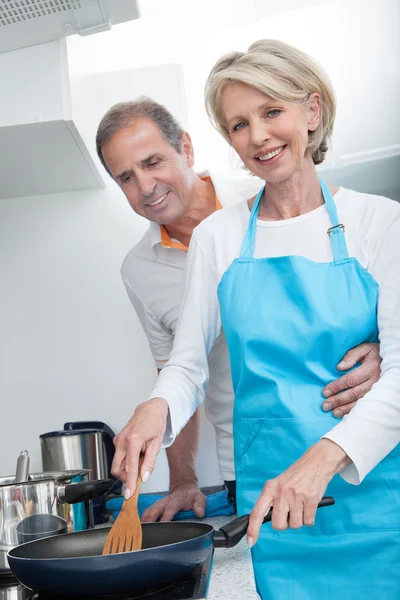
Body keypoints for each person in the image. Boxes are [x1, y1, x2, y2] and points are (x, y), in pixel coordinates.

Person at [111, 39, 400, 599]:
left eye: (272, 112)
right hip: (274, 509)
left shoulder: (380, 222)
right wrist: (155, 408)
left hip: (377, 496)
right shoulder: (220, 237)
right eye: (239, 124)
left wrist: (325, 457)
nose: (258, 136)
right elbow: (188, 364)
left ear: (311, 112)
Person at [96, 98, 381, 520]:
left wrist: (385, 350)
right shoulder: (139, 270)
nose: (146, 186)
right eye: (126, 177)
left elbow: (359, 304)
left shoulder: (274, 186)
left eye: (153, 162)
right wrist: (182, 479)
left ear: (186, 149)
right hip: (250, 459)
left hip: (354, 435)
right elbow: (179, 369)